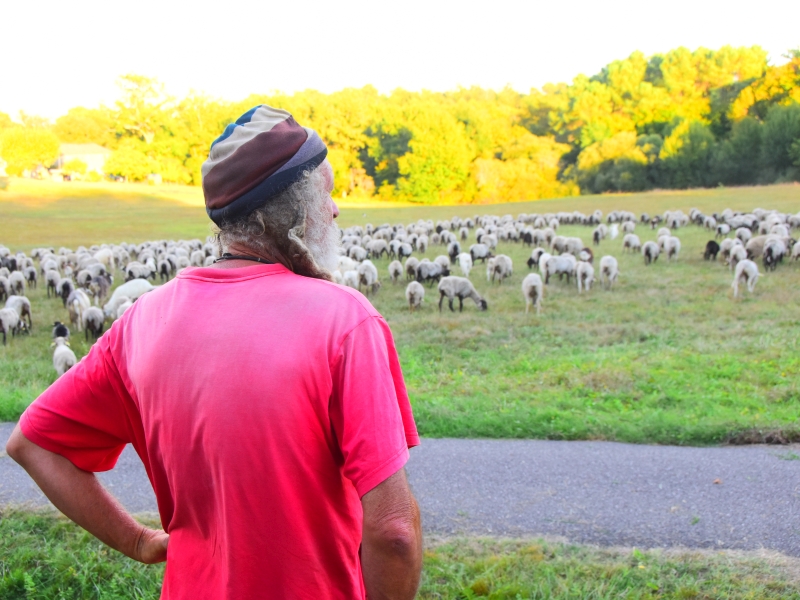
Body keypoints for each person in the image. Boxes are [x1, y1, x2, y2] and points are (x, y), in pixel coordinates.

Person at [6, 105, 423, 599]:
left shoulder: (143, 320)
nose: (334, 210)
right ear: (292, 211)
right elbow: (393, 531)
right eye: (326, 193)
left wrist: (138, 541)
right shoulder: (344, 320)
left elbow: (32, 444)